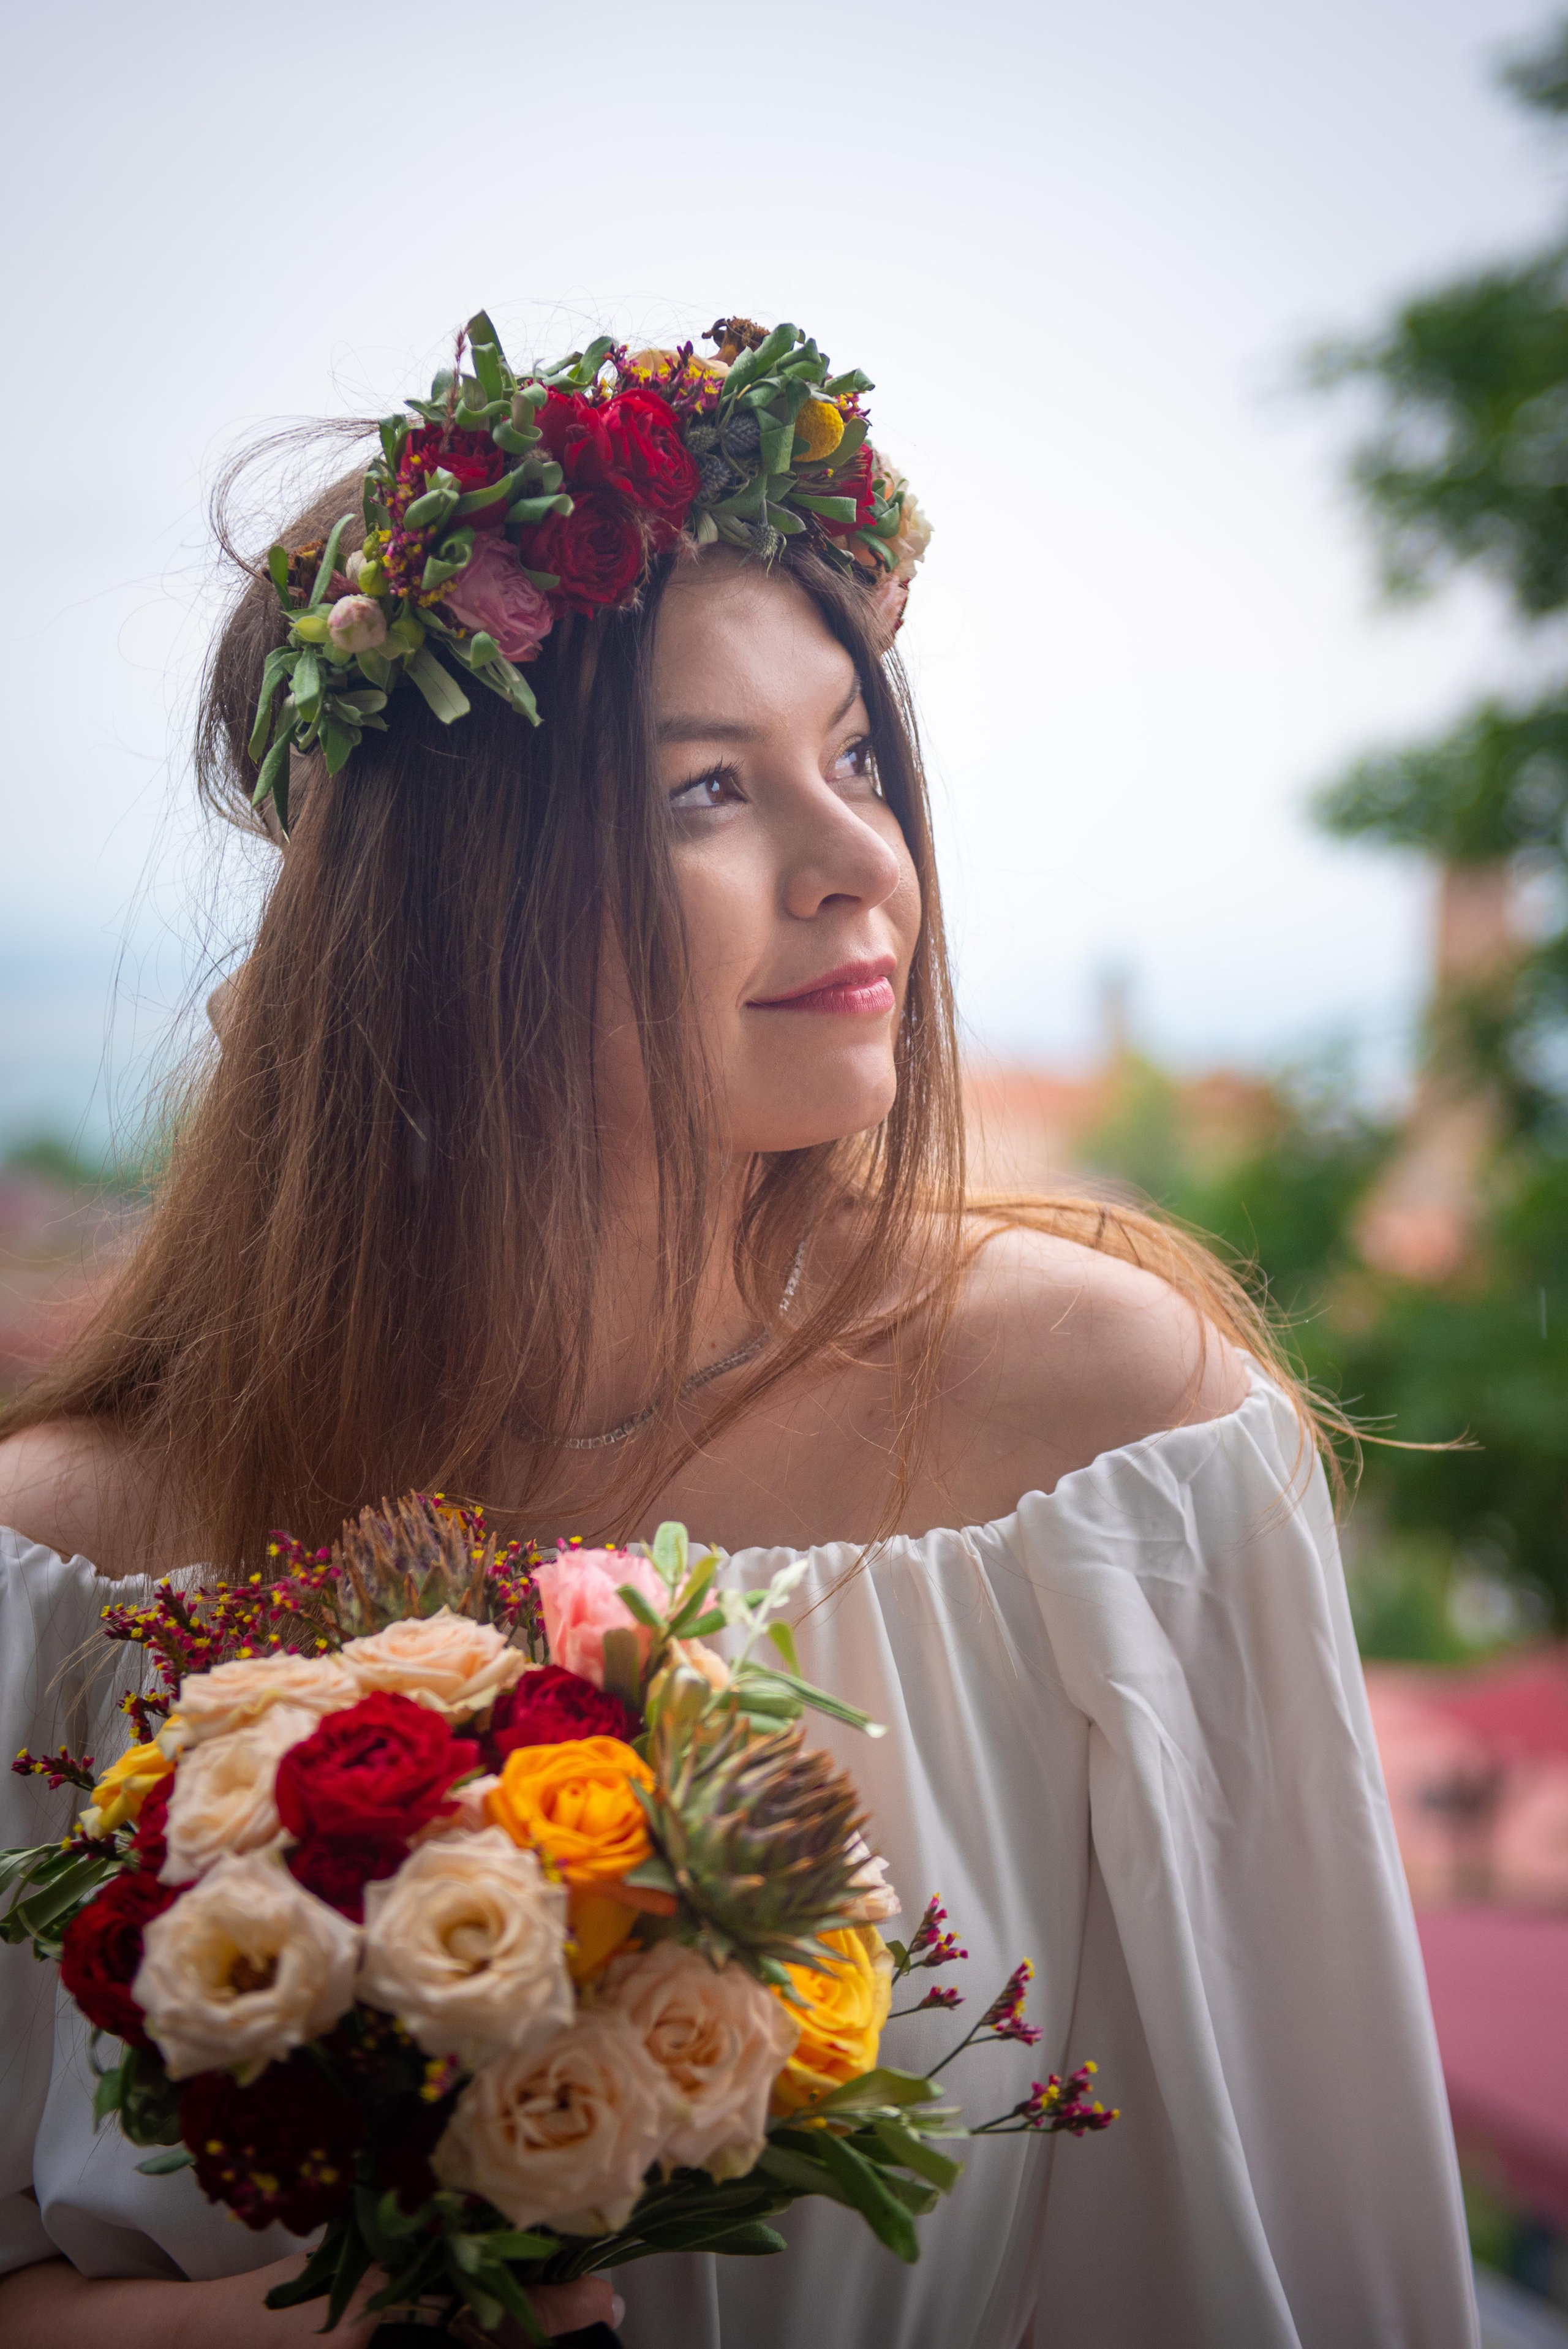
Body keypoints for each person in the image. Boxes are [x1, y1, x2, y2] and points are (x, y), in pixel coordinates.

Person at [0, 314, 1479, 2349]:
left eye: (857, 759)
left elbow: (1312, 2259)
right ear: (438, 902)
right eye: (709, 787)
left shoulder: (1111, 1443)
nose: (866, 863)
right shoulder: (56, 1569)